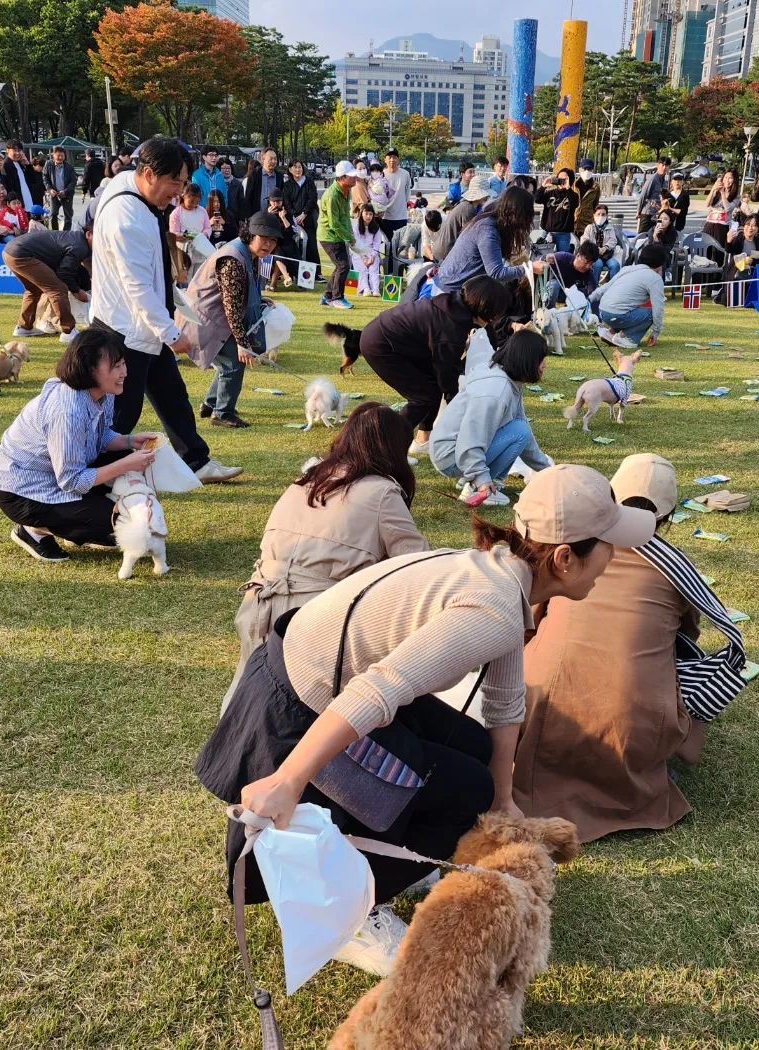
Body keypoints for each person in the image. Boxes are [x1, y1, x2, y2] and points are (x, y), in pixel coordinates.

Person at [195, 463, 652, 976]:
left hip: (318, 680)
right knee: (465, 794)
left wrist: (505, 801)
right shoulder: (495, 607)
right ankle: (352, 909)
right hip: (303, 708)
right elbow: (379, 689)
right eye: (609, 543)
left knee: (477, 761)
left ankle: (398, 852)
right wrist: (286, 780)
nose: (616, 557)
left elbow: (504, 699)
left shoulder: (502, 573)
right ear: (565, 558)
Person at [514, 454, 741, 841]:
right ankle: (665, 749)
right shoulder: (675, 568)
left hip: (539, 720)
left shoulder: (567, 555)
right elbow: (686, 640)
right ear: (666, 518)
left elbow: (527, 622)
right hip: (628, 735)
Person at [220, 402, 428, 710]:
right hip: (314, 616)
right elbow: (417, 568)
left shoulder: (307, 479)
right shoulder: (382, 492)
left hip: (257, 606)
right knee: (308, 716)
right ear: (394, 448)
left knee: (249, 697)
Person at [91, 135, 240, 480]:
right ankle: (94, 477)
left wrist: (175, 302)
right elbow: (137, 287)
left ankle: (197, 462)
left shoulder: (135, 192)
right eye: (174, 181)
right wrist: (172, 333)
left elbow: (152, 272)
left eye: (183, 181)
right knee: (122, 412)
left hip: (147, 324)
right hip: (125, 329)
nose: (178, 190)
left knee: (173, 395)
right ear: (147, 173)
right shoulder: (125, 217)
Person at [0, 327, 161, 562]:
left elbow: (99, 436)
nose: (125, 372)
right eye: (116, 366)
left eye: (123, 363)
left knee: (123, 460)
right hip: (22, 491)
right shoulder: (67, 412)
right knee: (112, 517)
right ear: (90, 368)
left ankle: (74, 528)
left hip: (57, 473)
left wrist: (129, 440)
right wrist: (125, 464)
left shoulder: (103, 391)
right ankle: (32, 530)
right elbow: (71, 480)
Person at [336, 275, 513, 453]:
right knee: (422, 398)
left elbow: (486, 335)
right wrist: (457, 404)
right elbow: (446, 370)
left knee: (431, 389)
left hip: (388, 336)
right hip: (380, 345)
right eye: (495, 313)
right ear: (484, 306)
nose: (495, 318)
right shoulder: (451, 328)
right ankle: (388, 450)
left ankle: (422, 440)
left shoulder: (455, 305)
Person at [182, 210, 285, 430]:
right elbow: (231, 307)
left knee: (226, 364)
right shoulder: (233, 258)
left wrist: (259, 300)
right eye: (263, 238)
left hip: (214, 317)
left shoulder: (248, 252)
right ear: (250, 235)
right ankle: (222, 413)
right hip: (206, 319)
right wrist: (242, 343)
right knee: (233, 363)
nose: (268, 244)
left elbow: (240, 293)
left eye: (273, 241)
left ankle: (210, 404)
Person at [430, 329, 554, 505]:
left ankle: (472, 478)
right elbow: (470, 438)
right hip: (451, 456)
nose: (545, 365)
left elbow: (523, 430)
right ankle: (479, 486)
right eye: (541, 360)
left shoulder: (509, 381)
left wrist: (548, 470)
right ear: (528, 360)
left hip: (457, 451)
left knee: (520, 428)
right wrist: (481, 478)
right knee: (519, 431)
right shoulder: (496, 392)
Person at [434, 184, 545, 296]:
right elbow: (496, 272)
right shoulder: (487, 231)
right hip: (449, 290)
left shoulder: (491, 224)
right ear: (517, 214)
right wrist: (529, 268)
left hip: (455, 285)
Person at [4, 226, 91, 343]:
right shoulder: (80, 246)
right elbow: (64, 273)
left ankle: (24, 327)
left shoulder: (77, 239)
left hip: (9, 252)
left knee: (33, 290)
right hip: (22, 254)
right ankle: (69, 331)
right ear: (88, 234)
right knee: (58, 289)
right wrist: (77, 291)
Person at [589, 241, 666, 349]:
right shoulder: (655, 278)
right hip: (617, 316)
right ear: (660, 264)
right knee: (651, 312)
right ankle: (627, 338)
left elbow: (605, 287)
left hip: (603, 312)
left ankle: (610, 332)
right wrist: (656, 332)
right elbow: (658, 309)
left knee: (631, 307)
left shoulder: (627, 269)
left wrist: (589, 299)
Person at [317, 159, 360, 310]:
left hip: (338, 234)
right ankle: (337, 298)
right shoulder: (332, 195)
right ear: (342, 178)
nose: (355, 178)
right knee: (343, 265)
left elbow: (345, 217)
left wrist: (350, 232)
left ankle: (327, 296)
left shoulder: (347, 191)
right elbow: (334, 223)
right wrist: (349, 238)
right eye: (351, 176)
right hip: (328, 235)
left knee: (339, 266)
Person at [431, 174, 490, 263]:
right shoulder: (468, 209)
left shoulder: (467, 204)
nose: (487, 197)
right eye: (485, 194)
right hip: (445, 253)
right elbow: (469, 239)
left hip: (442, 249)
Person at [281, 158, 320, 276]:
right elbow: (286, 202)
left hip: (308, 218)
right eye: (295, 167)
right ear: (290, 169)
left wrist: (304, 213)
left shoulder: (309, 182)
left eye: (300, 167)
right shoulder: (287, 185)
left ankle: (316, 273)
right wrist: (294, 215)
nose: (298, 169)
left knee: (311, 245)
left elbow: (312, 198)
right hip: (293, 220)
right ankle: (295, 273)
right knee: (296, 245)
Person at [700, 169, 740, 265]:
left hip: (721, 227)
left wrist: (723, 193)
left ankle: (715, 278)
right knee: (705, 254)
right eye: (725, 177)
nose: (727, 180)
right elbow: (707, 203)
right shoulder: (716, 191)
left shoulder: (736, 196)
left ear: (734, 180)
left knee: (717, 255)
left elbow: (728, 208)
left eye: (730, 178)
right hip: (709, 224)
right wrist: (713, 189)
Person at [542, 242, 599, 307]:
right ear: (578, 255)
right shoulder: (562, 257)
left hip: (570, 295)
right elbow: (539, 259)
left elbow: (592, 293)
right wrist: (546, 258)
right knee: (555, 284)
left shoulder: (588, 272)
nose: (588, 266)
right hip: (553, 292)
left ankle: (575, 311)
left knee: (586, 292)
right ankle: (548, 310)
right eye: (586, 262)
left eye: (591, 264)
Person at [536, 168, 579, 254]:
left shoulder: (573, 195)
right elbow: (536, 199)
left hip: (563, 235)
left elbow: (574, 204)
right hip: (547, 233)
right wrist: (543, 186)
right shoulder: (550, 194)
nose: (561, 181)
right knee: (544, 259)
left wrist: (568, 188)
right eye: (559, 178)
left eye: (564, 179)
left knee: (561, 259)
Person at [379, 148, 414, 249]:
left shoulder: (405, 174)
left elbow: (407, 193)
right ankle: (388, 265)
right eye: (389, 157)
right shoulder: (381, 175)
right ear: (385, 160)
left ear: (398, 159)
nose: (392, 160)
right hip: (386, 217)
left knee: (401, 247)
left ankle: (400, 265)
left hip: (401, 217)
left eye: (394, 157)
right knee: (388, 246)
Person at [240, 146, 284, 225]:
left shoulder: (279, 177)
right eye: (271, 159)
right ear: (263, 159)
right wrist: (250, 217)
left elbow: (282, 198)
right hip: (256, 218)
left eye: (275, 159)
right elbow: (248, 198)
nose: (273, 161)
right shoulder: (254, 175)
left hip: (274, 218)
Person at [351, 202, 387, 297]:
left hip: (371, 252)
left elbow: (376, 244)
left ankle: (375, 289)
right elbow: (355, 244)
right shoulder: (356, 228)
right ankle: (365, 288)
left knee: (373, 268)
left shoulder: (376, 228)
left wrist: (372, 257)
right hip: (359, 252)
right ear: (361, 214)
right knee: (361, 268)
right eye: (366, 214)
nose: (368, 216)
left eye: (370, 214)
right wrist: (363, 258)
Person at [582, 203, 621, 284]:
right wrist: (595, 249)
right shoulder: (589, 228)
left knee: (615, 265)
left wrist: (605, 247)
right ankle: (593, 287)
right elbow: (584, 240)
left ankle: (613, 288)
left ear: (606, 215)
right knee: (597, 264)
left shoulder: (610, 228)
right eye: (598, 214)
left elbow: (613, 240)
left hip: (607, 255)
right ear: (594, 215)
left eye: (603, 214)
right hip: (594, 255)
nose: (601, 216)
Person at [1, 139, 42, 213]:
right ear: (7, 150)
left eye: (19, 150)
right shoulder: (5, 165)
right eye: (14, 150)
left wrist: (27, 164)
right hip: (17, 203)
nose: (17, 153)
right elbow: (8, 186)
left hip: (28, 201)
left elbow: (33, 180)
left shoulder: (21, 164)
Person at [43, 146, 77, 231]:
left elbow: (73, 181)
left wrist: (65, 191)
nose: (60, 158)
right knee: (53, 214)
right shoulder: (49, 164)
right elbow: (45, 177)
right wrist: (50, 189)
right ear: (53, 155)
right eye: (58, 155)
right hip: (54, 194)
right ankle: (55, 233)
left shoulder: (69, 167)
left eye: (62, 156)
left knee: (68, 215)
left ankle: (66, 233)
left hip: (66, 194)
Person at [636, 157, 670, 232]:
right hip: (647, 214)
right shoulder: (652, 179)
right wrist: (638, 212)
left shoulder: (664, 181)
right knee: (642, 237)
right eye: (662, 165)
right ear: (657, 165)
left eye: (666, 166)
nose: (664, 168)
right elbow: (643, 196)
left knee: (657, 235)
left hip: (658, 215)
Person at [572, 159, 600, 237]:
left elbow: (595, 204)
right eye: (585, 169)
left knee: (584, 247)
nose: (587, 171)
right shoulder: (573, 185)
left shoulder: (595, 187)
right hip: (572, 222)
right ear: (580, 169)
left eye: (589, 169)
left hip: (586, 223)